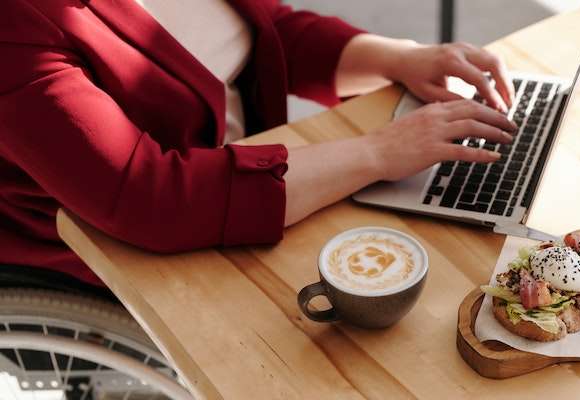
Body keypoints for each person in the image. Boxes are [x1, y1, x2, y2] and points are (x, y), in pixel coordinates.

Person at [0, 0, 517, 287]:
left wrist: (398, 59)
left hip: (251, 188)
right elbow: (148, 197)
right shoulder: (16, 23)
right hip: (132, 251)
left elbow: (264, 31)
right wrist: (378, 153)